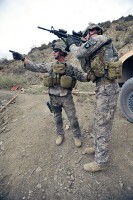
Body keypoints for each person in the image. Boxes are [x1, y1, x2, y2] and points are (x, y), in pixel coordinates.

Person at [10, 40, 89, 148]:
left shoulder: (70, 67)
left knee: (73, 118)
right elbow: (35, 67)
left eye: (55, 51)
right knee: (57, 118)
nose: (53, 53)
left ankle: (77, 136)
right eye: (53, 51)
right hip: (53, 97)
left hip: (66, 97)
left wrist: (91, 75)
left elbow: (81, 76)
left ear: (61, 52)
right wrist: (23, 59)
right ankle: (60, 134)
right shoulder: (50, 65)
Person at [65, 23, 121, 172]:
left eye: (95, 30)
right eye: (91, 31)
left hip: (107, 87)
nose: (93, 32)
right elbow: (85, 67)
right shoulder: (94, 47)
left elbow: (78, 53)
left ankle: (101, 162)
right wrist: (80, 44)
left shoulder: (100, 38)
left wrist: (71, 44)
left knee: (102, 125)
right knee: (98, 121)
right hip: (102, 87)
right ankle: (97, 149)